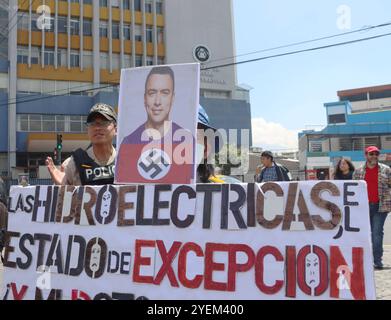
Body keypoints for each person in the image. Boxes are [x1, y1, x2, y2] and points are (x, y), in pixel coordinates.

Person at [116, 66, 194, 184]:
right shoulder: (128, 142)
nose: (157, 102)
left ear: (172, 98)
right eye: (152, 93)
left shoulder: (186, 141)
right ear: (145, 98)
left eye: (164, 93)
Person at [46, 103, 117, 186]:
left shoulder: (127, 162)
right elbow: (61, 197)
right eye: (92, 124)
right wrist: (63, 188)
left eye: (104, 122)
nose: (97, 128)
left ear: (115, 129)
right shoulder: (72, 165)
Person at [353, 146, 391, 270]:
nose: (374, 156)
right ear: (366, 155)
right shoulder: (358, 172)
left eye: (376, 154)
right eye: (371, 154)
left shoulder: (386, 170)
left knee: (377, 233)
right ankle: (364, 260)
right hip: (363, 207)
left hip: (381, 206)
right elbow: (353, 190)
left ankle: (377, 261)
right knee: (364, 234)